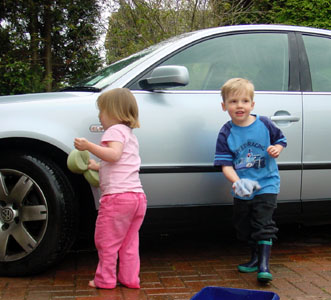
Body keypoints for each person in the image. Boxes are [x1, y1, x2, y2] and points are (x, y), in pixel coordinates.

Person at [213, 78, 287, 283]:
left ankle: (264, 265)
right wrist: (237, 181)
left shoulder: (264, 123)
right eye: (234, 101)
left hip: (267, 183)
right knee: (243, 225)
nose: (239, 106)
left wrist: (277, 148)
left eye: (245, 101)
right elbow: (225, 165)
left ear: (252, 105)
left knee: (263, 222)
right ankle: (254, 257)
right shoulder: (226, 132)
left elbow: (281, 140)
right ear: (224, 106)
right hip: (242, 188)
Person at [74, 88, 147, 289]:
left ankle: (105, 280)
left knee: (106, 241)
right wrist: (96, 166)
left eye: (102, 111)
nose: (99, 116)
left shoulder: (113, 131)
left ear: (114, 112)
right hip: (137, 198)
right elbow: (119, 161)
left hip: (117, 199)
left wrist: (88, 146)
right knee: (129, 243)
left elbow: (113, 155)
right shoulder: (129, 134)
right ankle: (130, 278)